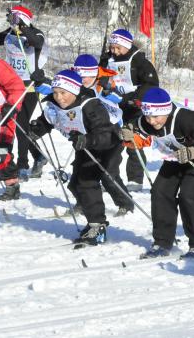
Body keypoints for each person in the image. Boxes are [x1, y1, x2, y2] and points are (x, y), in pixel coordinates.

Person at [121, 88, 194, 259]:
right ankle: (162, 241)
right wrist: (127, 136)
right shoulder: (146, 121)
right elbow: (137, 136)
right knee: (160, 192)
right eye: (148, 116)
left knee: (188, 195)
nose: (152, 121)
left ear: (166, 111)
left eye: (156, 117)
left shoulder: (185, 118)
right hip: (175, 158)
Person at [29, 70, 125, 246]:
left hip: (107, 144)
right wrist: (35, 129)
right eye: (56, 92)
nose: (59, 97)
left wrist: (88, 140)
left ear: (74, 91)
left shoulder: (90, 106)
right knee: (75, 184)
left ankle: (98, 225)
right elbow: (46, 122)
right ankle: (89, 211)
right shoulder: (53, 105)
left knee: (88, 182)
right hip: (84, 145)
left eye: (63, 93)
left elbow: (105, 134)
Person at [71, 54, 133, 216]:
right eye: (81, 75)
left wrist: (109, 90)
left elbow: (122, 100)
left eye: (89, 75)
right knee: (78, 175)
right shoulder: (74, 88)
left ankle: (125, 203)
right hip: (88, 136)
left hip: (111, 135)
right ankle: (83, 202)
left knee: (108, 173)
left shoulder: (105, 84)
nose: (84, 79)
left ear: (96, 73)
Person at [0, 5, 48, 179]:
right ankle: (38, 156)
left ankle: (23, 165)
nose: (10, 21)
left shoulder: (36, 33)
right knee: (15, 125)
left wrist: (21, 27)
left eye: (13, 18)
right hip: (10, 86)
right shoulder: (10, 33)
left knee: (20, 126)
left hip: (29, 86)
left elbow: (36, 42)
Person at [99, 29, 160, 191]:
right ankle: (109, 177)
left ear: (127, 45)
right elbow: (99, 76)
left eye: (118, 47)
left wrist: (133, 97)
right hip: (113, 106)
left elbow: (152, 84)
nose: (114, 51)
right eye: (112, 47)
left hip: (134, 106)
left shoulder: (139, 61)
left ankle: (135, 179)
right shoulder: (108, 58)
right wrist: (103, 81)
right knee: (111, 142)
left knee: (132, 141)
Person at [0, 51, 26, 200]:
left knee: (0, 151)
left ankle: (12, 185)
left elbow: (17, 87)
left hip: (2, 113)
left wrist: (11, 106)